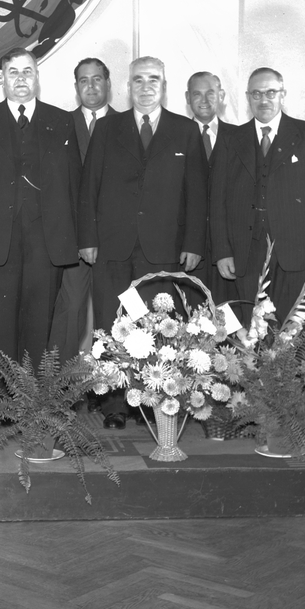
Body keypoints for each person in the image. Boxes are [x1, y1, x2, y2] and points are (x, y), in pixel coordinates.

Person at [78, 56, 208, 428]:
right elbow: (89, 186)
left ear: (164, 86)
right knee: (112, 323)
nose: (146, 87)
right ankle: (114, 406)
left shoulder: (185, 130)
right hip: (113, 245)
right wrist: (87, 238)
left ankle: (154, 402)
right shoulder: (107, 127)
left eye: (153, 80)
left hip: (163, 246)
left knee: (158, 324)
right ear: (128, 86)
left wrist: (193, 242)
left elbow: (197, 193)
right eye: (138, 80)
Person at [0, 47, 82, 388]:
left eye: (27, 71)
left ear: (37, 77)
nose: (21, 79)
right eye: (13, 72)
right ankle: (3, 404)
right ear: (2, 79)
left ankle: (34, 403)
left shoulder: (61, 120)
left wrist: (77, 240)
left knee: (39, 326)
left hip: (46, 243)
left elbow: (74, 183)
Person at [209, 66, 305, 326]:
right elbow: (217, 200)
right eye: (256, 94)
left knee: (292, 331)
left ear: (283, 94)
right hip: (245, 252)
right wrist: (222, 251)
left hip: (294, 252)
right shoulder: (231, 139)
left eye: (270, 92)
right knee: (247, 331)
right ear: (248, 97)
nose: (264, 99)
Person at [48, 58, 111, 365]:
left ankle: (115, 387)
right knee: (70, 310)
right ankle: (61, 384)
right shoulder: (60, 123)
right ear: (76, 87)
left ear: (108, 83)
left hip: (115, 238)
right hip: (73, 237)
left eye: (97, 79)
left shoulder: (127, 124)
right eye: (84, 80)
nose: (91, 86)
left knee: (115, 314)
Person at [186, 70, 236, 306]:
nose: (204, 100)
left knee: (228, 316)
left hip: (227, 249)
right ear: (187, 98)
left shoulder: (238, 137)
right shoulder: (175, 135)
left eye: (211, 93)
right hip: (186, 252)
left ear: (222, 96)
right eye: (197, 94)